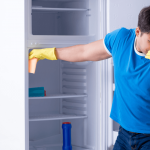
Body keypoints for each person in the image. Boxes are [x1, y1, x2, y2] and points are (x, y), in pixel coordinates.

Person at [29, 6, 150, 150]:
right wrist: (49, 53)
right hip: (124, 134)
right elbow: (84, 52)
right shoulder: (121, 39)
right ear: (138, 32)